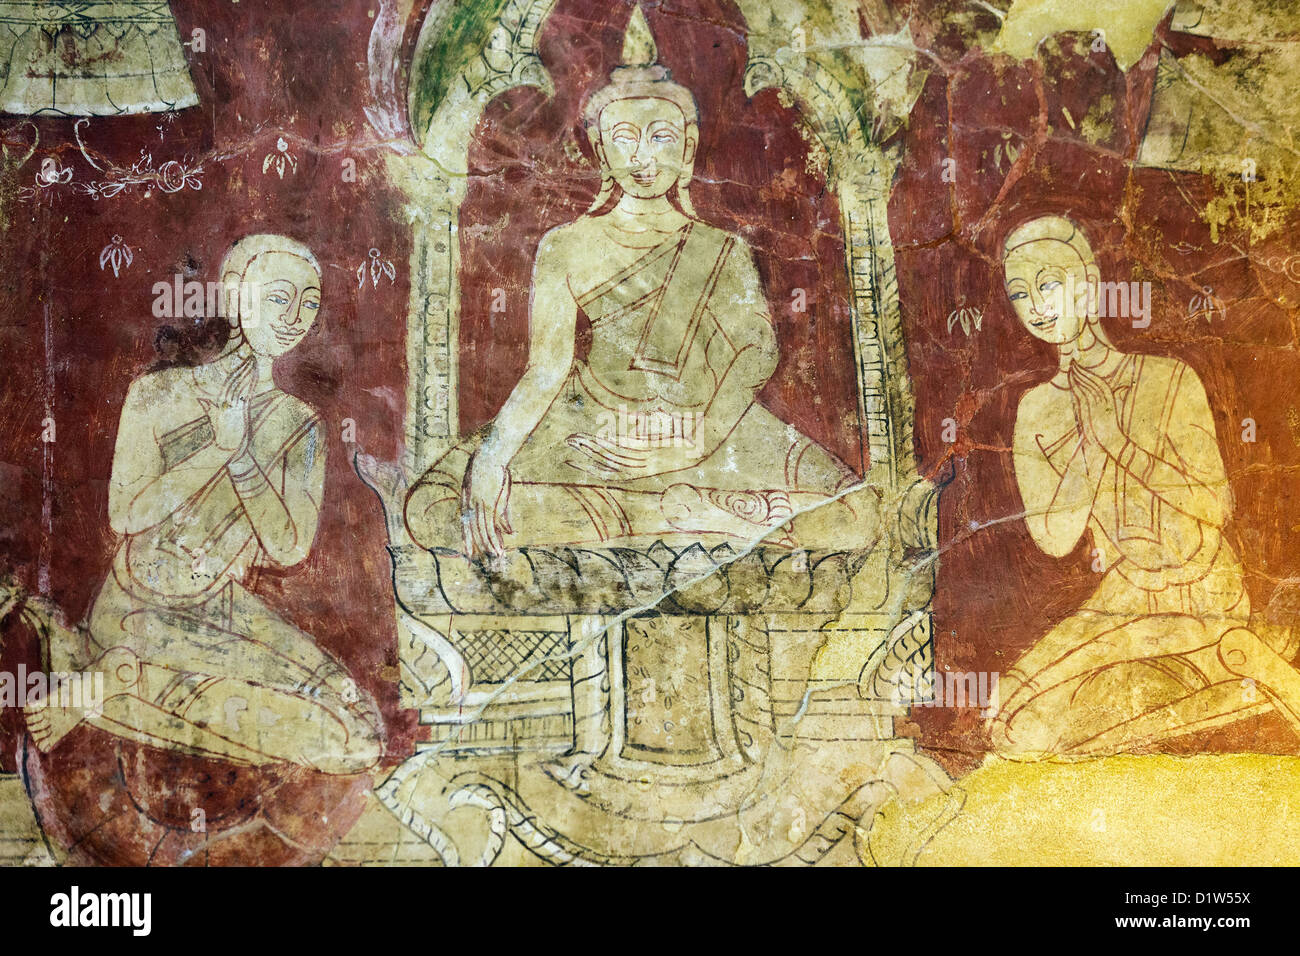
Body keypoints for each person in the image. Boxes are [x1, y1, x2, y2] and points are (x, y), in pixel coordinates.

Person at [405, 7, 881, 558]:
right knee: (437, 508)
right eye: (625, 137)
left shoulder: (720, 248)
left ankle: (660, 514)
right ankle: (693, 518)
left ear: (687, 144)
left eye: (660, 136)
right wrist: (493, 457)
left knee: (858, 514)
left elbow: (755, 353)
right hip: (593, 425)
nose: (642, 155)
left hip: (706, 425)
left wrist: (698, 437)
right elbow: (548, 368)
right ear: (600, 148)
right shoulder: (566, 245)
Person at [23, 234, 382, 774]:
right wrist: (217, 447)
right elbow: (125, 516)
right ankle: (120, 674)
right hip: (136, 610)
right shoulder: (158, 394)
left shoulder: (299, 422)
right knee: (336, 738)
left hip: (218, 611)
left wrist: (240, 459)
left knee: (361, 733)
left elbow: (287, 548)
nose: (295, 317)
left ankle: (125, 682)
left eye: (309, 304)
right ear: (237, 296)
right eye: (280, 297)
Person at [988, 214, 1300, 759]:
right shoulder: (1037, 409)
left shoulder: (1166, 377)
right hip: (1125, 595)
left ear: (1085, 283)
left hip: (1205, 587)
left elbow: (1214, 503)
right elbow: (1055, 539)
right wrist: (1089, 446)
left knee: (1033, 727)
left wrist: (1119, 441)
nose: (1036, 305)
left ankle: (1226, 654)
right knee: (1009, 720)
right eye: (1020, 293)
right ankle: (1226, 672)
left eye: (1049, 284)